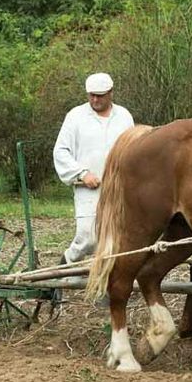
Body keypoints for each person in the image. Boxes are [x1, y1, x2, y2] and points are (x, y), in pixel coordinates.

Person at [52, 72, 135, 265]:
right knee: (87, 239)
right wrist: (82, 173)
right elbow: (61, 151)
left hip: (117, 188)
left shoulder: (124, 116)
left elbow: (133, 148)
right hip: (88, 188)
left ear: (110, 93)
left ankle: (106, 286)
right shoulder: (76, 117)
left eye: (100, 95)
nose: (95, 99)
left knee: (113, 240)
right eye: (91, 95)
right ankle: (63, 269)